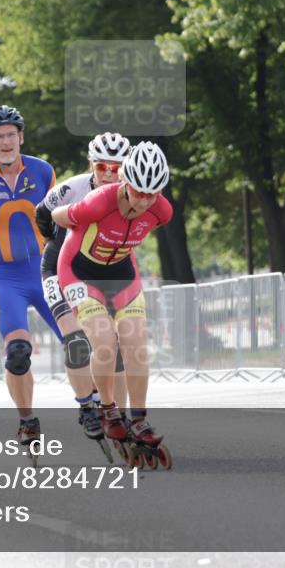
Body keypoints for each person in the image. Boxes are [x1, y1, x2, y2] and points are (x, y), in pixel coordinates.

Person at [0, 105, 78, 448]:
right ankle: (27, 420)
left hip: (46, 272)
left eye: (11, 134)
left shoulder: (43, 172)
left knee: (80, 345)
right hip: (5, 278)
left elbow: (58, 224)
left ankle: (98, 408)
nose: (6, 142)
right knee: (18, 352)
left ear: (21, 137)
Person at [51, 141, 173, 467]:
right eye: (138, 192)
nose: (145, 200)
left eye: (153, 193)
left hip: (122, 275)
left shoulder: (163, 210)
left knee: (136, 345)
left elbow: (145, 217)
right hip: (79, 273)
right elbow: (55, 215)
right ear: (125, 182)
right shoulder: (97, 202)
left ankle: (139, 418)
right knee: (104, 342)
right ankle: (108, 410)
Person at [34, 133, 132, 443]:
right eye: (102, 166)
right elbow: (41, 214)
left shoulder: (132, 194)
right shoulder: (71, 188)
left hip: (98, 273)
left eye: (116, 168)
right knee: (76, 341)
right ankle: (87, 407)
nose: (108, 174)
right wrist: (56, 243)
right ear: (90, 163)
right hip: (59, 269)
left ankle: (119, 412)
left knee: (112, 345)